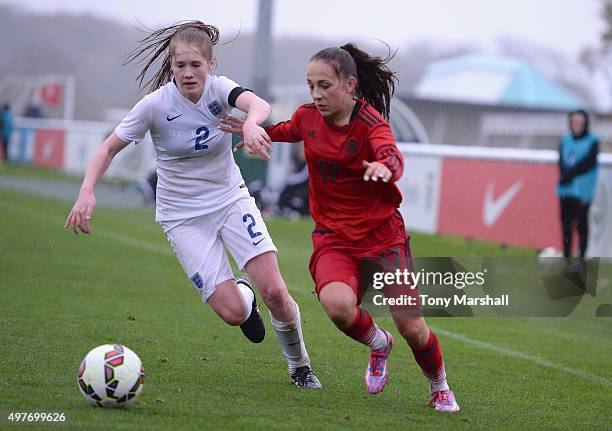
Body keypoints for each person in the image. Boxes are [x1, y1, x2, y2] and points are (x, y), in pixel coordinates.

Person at [64, 21, 321, 389]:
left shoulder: (219, 89)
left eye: (195, 65)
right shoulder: (154, 106)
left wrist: (251, 124)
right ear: (171, 67)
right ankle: (243, 295)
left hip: (230, 200)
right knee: (233, 313)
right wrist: (87, 190)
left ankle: (299, 367)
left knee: (278, 293)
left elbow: (258, 104)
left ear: (210, 64)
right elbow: (107, 148)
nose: (188, 73)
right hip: (182, 218)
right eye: (180, 65)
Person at [221, 43, 459, 411]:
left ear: (349, 85)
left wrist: (385, 167)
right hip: (335, 239)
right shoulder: (308, 117)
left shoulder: (370, 124)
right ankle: (379, 344)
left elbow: (391, 154)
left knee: (413, 327)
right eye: (310, 85)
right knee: (336, 306)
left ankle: (440, 388)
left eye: (324, 86)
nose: (315, 94)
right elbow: (287, 129)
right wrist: (256, 131)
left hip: (384, 237)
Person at [557, 109, 599, 261]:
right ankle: (566, 256)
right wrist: (564, 176)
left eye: (580, 121)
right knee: (566, 226)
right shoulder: (565, 139)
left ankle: (581, 258)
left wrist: (570, 174)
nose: (577, 124)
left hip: (583, 191)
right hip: (565, 189)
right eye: (575, 121)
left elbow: (589, 162)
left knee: (582, 226)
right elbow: (561, 160)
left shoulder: (593, 140)